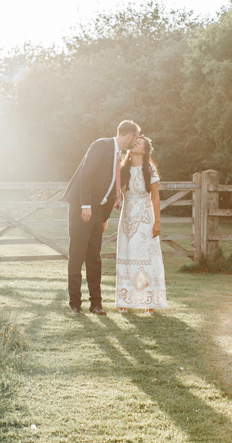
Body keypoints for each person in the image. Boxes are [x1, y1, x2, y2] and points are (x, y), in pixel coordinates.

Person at [63, 120, 141, 315]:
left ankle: (96, 304)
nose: (137, 141)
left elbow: (110, 188)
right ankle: (75, 304)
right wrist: (86, 205)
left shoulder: (119, 155)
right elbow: (86, 175)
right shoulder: (101, 145)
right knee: (77, 256)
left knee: (94, 258)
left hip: (98, 213)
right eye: (137, 137)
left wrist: (104, 217)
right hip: (82, 208)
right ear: (130, 135)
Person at [115, 135, 167, 314]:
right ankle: (125, 300)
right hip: (127, 217)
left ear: (144, 150)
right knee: (126, 256)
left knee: (146, 258)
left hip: (145, 217)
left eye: (139, 143)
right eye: (134, 141)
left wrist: (157, 222)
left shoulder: (150, 169)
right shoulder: (122, 168)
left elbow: (155, 197)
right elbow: (115, 192)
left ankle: (149, 302)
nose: (135, 143)